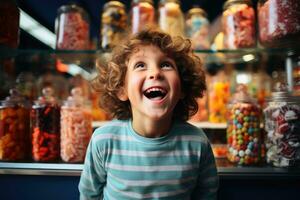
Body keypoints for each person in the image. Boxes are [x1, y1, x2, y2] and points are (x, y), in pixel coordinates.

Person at [78, 29, 219, 199]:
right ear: (122, 89)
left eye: (166, 64)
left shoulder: (197, 142)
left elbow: (207, 195)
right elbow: (89, 195)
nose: (155, 73)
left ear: (182, 87)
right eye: (140, 65)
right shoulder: (104, 140)